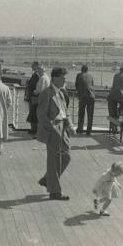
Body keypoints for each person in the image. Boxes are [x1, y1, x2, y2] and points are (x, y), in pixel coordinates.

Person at [37, 67, 75, 200]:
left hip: (63, 127)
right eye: (63, 77)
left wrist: (70, 125)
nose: (65, 79)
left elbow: (66, 111)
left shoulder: (62, 93)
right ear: (55, 78)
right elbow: (41, 115)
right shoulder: (46, 93)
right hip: (53, 128)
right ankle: (55, 192)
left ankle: (47, 179)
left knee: (66, 157)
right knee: (54, 161)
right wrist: (52, 129)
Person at [75, 65, 95, 135]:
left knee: (81, 114)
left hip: (83, 97)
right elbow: (92, 85)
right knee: (90, 115)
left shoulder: (79, 75)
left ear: (81, 69)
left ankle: (80, 129)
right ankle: (89, 131)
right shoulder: (91, 76)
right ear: (87, 70)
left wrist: (79, 93)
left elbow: (76, 85)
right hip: (91, 97)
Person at [107, 66, 123, 133]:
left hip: (112, 96)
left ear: (120, 70)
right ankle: (119, 113)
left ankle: (114, 128)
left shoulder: (116, 76)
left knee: (112, 114)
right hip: (120, 97)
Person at [25, 61, 40, 134]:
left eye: (33, 65)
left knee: (33, 113)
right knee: (32, 113)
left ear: (37, 66)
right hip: (32, 97)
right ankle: (33, 129)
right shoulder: (35, 75)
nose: (31, 67)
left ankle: (34, 130)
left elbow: (35, 86)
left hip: (34, 97)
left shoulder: (37, 75)